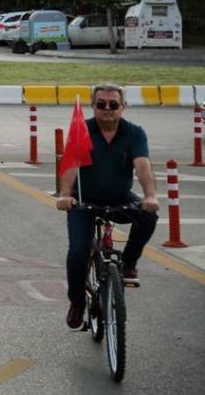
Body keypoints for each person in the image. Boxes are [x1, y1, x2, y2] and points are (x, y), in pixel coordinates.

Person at [56, 83, 159, 329]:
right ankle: (77, 302)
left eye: (114, 105)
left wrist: (150, 196)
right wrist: (64, 195)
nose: (107, 109)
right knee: (78, 253)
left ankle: (129, 262)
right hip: (84, 201)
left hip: (119, 198)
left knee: (148, 217)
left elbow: (142, 165)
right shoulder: (83, 129)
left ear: (123, 107)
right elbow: (71, 165)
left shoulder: (134, 133)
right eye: (101, 104)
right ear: (93, 106)